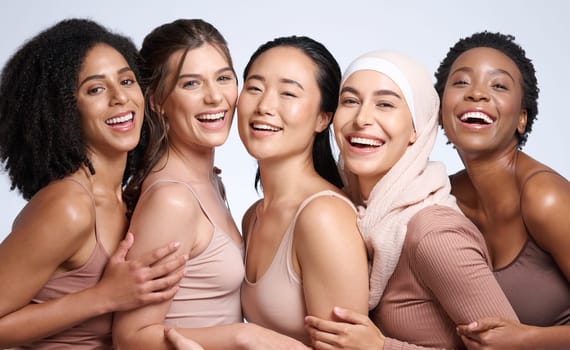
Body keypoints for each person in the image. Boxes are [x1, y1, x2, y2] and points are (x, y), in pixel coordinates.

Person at [113, 19, 309, 350]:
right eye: (191, 84)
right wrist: (245, 336)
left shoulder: (210, 182)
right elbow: (129, 338)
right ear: (157, 99)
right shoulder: (172, 199)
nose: (215, 97)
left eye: (223, 78)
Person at [304, 50, 518, 349]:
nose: (362, 118)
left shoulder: (434, 233)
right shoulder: (349, 212)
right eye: (350, 101)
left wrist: (382, 348)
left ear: (417, 128)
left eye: (385, 104)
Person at [0, 18, 186, 349]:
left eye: (127, 81)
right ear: (64, 111)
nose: (120, 98)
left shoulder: (127, 198)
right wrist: (103, 297)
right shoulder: (68, 206)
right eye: (95, 89)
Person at [434, 31, 570, 349]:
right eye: (461, 82)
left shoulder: (544, 198)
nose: (477, 95)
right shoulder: (441, 195)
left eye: (498, 85)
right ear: (440, 108)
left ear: (522, 118)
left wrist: (528, 339)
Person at [237, 35, 369, 346]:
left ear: (323, 118)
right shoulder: (252, 217)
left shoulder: (323, 217)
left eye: (288, 93)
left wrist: (241, 338)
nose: (265, 106)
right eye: (254, 88)